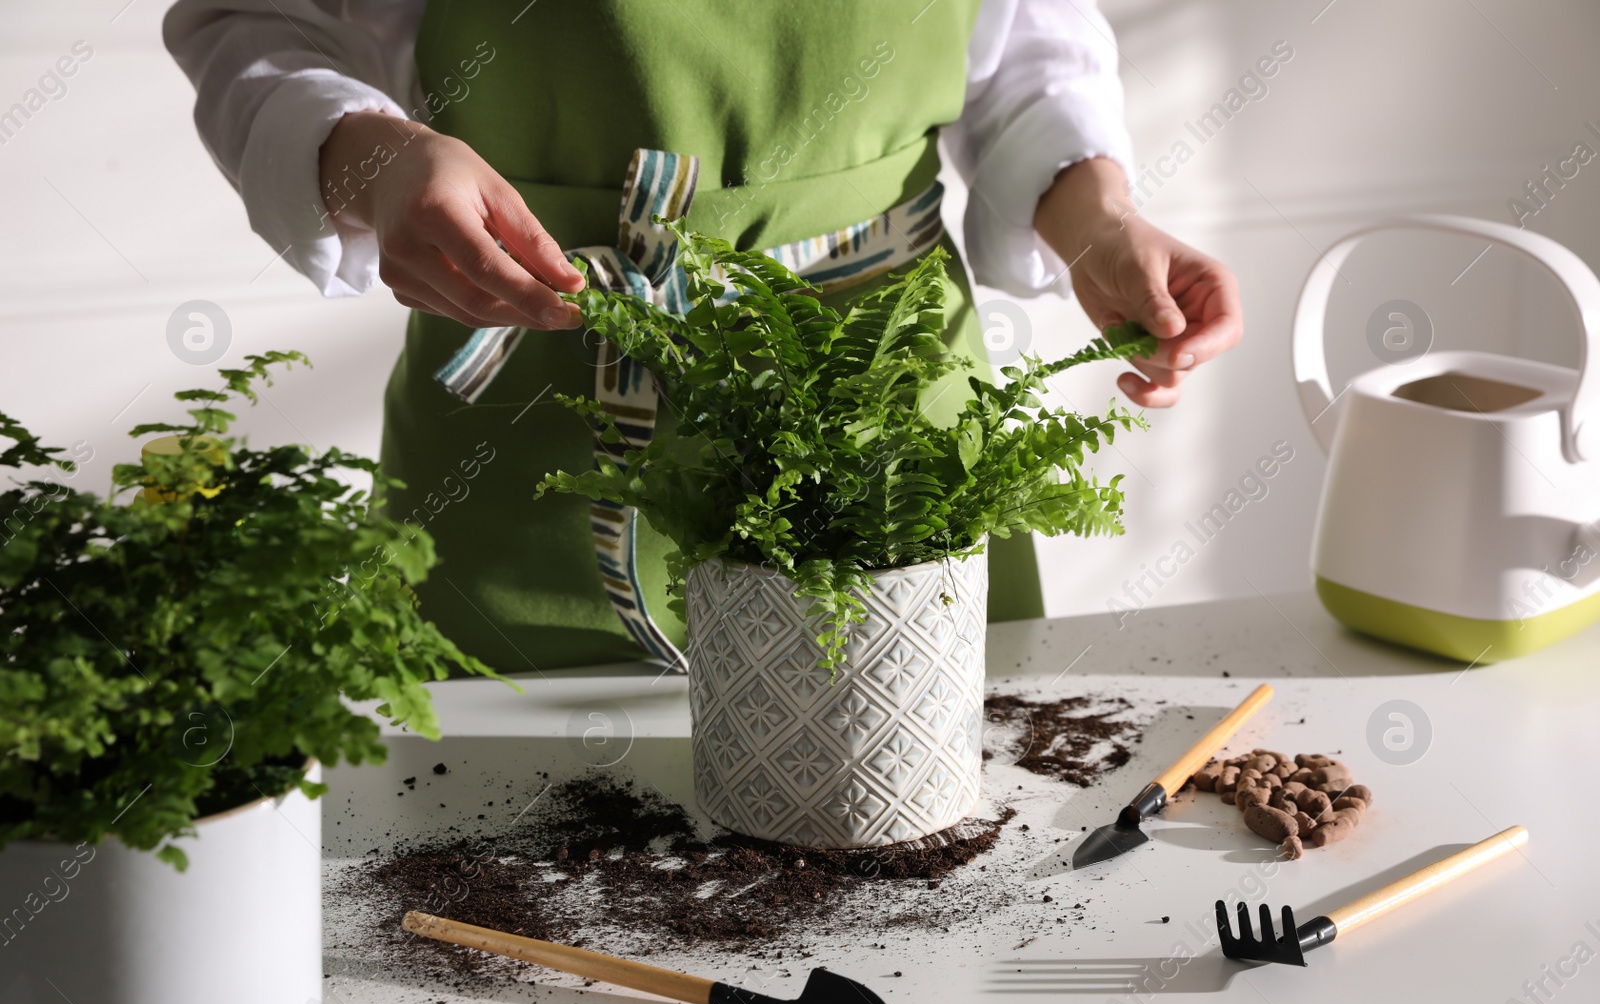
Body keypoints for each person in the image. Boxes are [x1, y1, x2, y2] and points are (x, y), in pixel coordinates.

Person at [165, 0, 1242, 674]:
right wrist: (373, 156)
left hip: (885, 417)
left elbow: (1019, 48)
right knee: (501, 904)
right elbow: (253, 20)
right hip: (535, 424)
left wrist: (1099, 223)